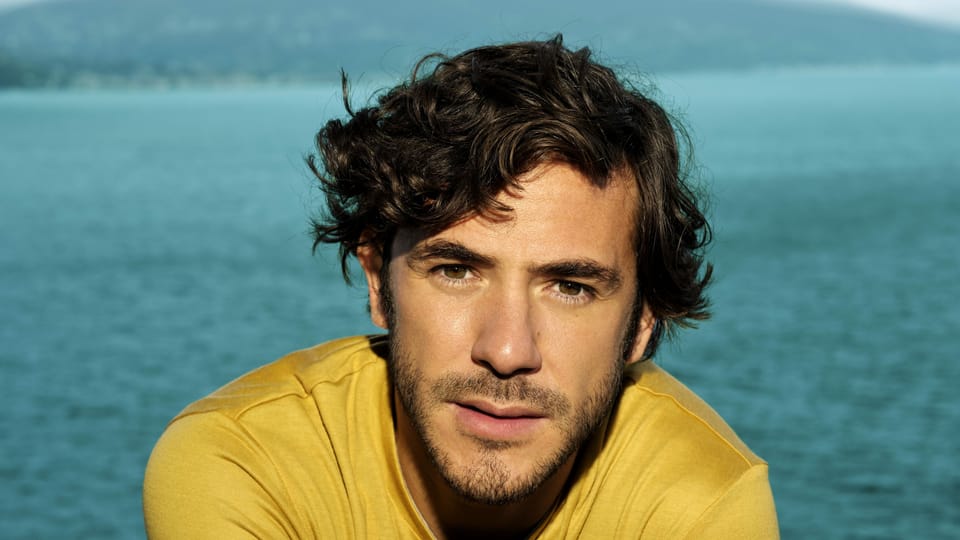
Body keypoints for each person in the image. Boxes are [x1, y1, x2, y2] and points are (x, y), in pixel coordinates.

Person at [143, 35, 779, 538]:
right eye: (456, 272)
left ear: (642, 323)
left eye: (570, 287)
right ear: (378, 282)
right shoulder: (245, 462)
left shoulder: (701, 504)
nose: (506, 351)